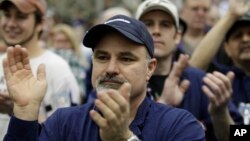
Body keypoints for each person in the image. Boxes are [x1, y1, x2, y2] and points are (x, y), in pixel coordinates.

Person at [3, 15, 205, 141]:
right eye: (102, 57)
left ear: (149, 68)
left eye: (126, 58)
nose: (110, 69)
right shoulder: (64, 123)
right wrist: (24, 113)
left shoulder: (179, 126)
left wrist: (124, 139)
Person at [135, 0, 242, 140]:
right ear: (136, 34)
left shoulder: (200, 81)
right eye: (148, 24)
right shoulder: (125, 82)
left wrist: (220, 113)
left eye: (165, 25)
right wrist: (163, 105)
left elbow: (241, 134)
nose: (156, 31)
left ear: (178, 36)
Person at [0, 0, 81, 140]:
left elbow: (66, 131)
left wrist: (22, 111)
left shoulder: (57, 68)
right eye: (7, 15)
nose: (11, 24)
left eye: (21, 16)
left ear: (41, 24)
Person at [190, 0, 250, 111]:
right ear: (226, 48)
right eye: (238, 36)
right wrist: (231, 15)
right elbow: (194, 68)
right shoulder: (220, 78)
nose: (245, 39)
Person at [49, 23, 89, 101]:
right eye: (58, 41)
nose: (61, 46)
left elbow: (80, 91)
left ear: (72, 43)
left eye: (65, 41)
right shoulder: (48, 59)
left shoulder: (77, 60)